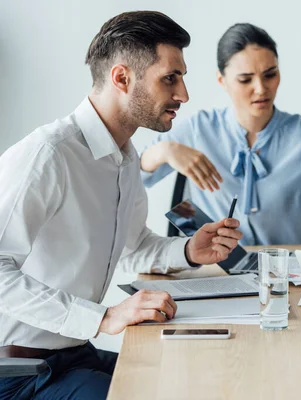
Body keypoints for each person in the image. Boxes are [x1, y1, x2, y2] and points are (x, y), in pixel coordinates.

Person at [0, 11, 242, 400]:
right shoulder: (48, 155)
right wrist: (104, 317)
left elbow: (134, 248)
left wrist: (188, 250)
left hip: (73, 355)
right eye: (170, 78)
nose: (183, 94)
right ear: (121, 78)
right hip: (19, 373)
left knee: (195, 379)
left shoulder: (124, 158)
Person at [140, 23, 301, 256]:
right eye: (245, 79)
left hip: (287, 276)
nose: (261, 88)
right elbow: (133, 178)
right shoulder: (198, 129)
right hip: (212, 274)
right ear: (221, 80)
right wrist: (165, 150)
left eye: (270, 75)